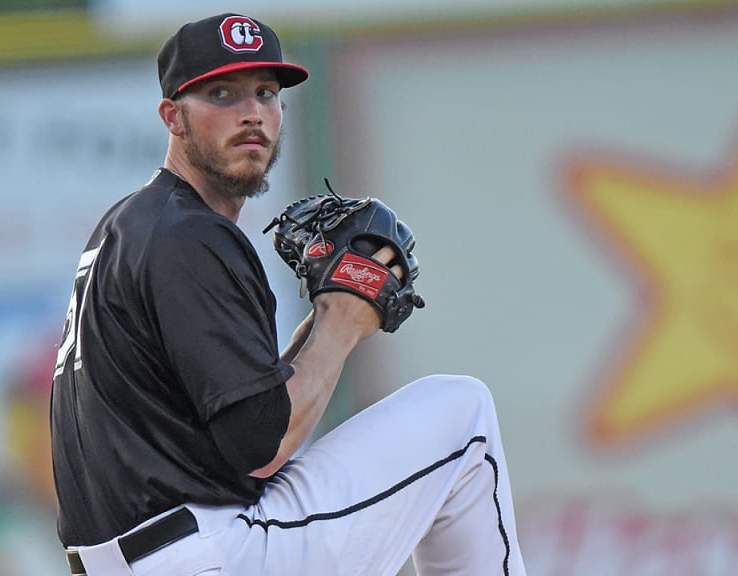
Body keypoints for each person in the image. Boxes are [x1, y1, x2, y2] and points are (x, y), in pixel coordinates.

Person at [50, 12, 527, 576]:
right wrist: (344, 318)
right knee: (463, 414)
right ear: (172, 117)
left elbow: (239, 424)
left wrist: (320, 321)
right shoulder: (192, 235)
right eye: (221, 93)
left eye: (266, 94)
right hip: (206, 554)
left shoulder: (135, 225)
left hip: (141, 556)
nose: (251, 112)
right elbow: (261, 449)